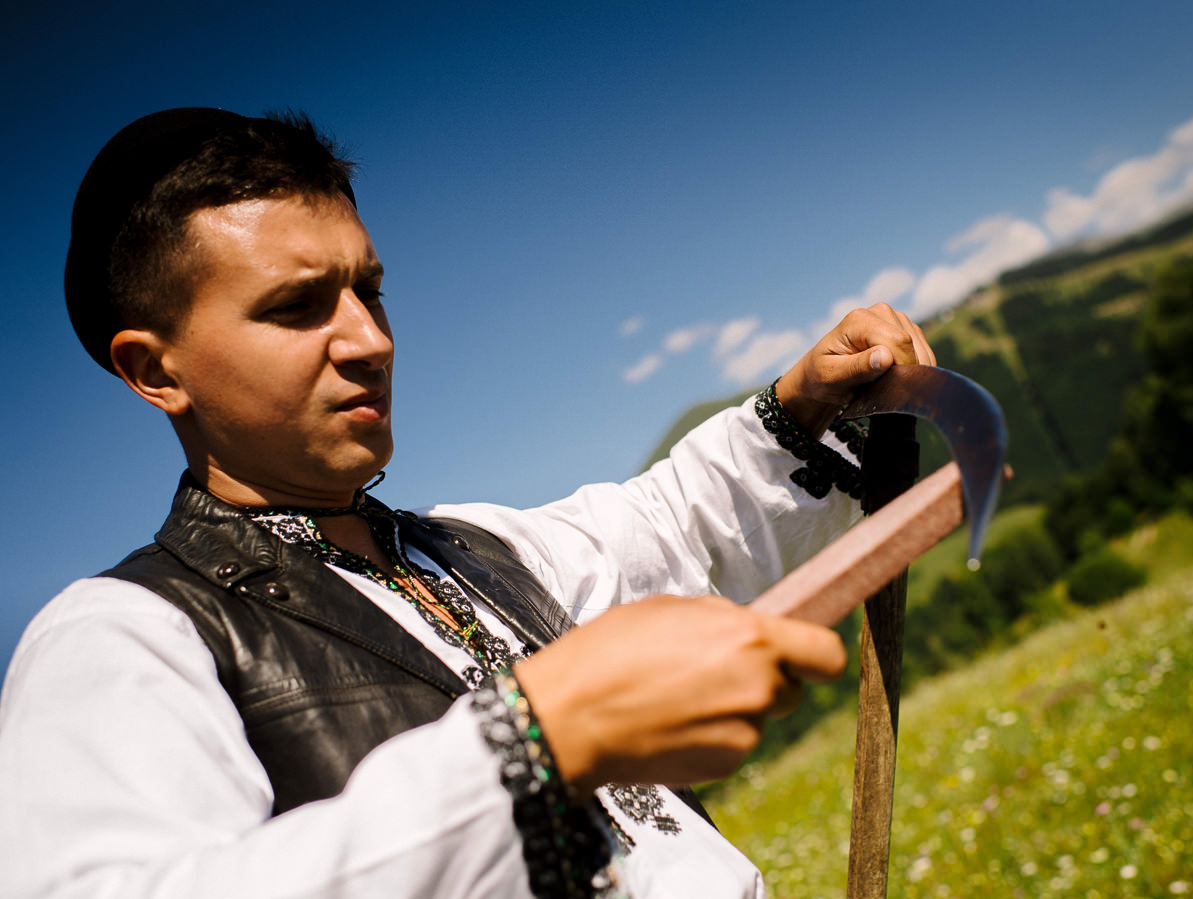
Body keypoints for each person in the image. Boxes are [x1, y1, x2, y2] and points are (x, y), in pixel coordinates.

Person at [0, 108, 935, 898]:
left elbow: (676, 525)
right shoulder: (123, 638)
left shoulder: (473, 550)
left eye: (368, 291)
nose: (368, 340)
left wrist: (805, 404)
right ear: (154, 370)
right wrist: (533, 741)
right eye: (296, 307)